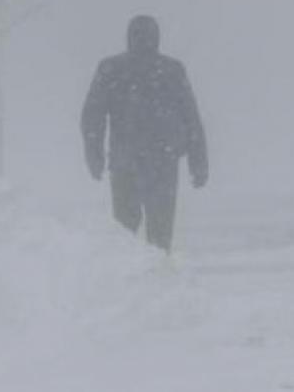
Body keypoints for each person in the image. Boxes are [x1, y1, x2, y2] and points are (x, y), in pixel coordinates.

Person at [81, 15, 208, 252]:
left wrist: (94, 153)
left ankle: (128, 280)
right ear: (157, 38)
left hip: (125, 161)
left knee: (124, 233)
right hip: (162, 161)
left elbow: (92, 116)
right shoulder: (171, 70)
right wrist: (198, 162)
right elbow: (191, 119)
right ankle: (157, 278)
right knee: (160, 234)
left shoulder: (112, 69)